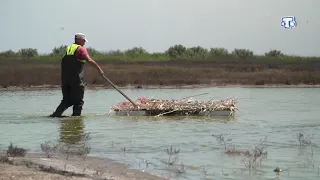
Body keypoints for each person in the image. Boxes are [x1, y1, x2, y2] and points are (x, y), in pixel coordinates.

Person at [49, 33, 104, 117]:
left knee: (67, 100)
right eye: (83, 41)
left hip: (65, 80)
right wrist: (99, 69)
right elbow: (89, 60)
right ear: (79, 40)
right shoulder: (81, 49)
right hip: (76, 80)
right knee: (78, 102)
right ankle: (76, 120)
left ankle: (55, 116)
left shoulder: (68, 49)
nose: (84, 43)